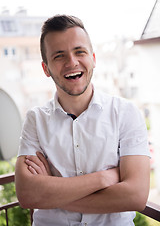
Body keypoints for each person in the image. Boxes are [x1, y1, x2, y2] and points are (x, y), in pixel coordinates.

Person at [15, 14, 150, 226]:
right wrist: (103, 179)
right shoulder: (35, 119)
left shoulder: (126, 112)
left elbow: (135, 196)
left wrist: (52, 191)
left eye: (80, 52)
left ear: (93, 58)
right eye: (59, 56)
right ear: (45, 69)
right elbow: (27, 195)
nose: (72, 62)